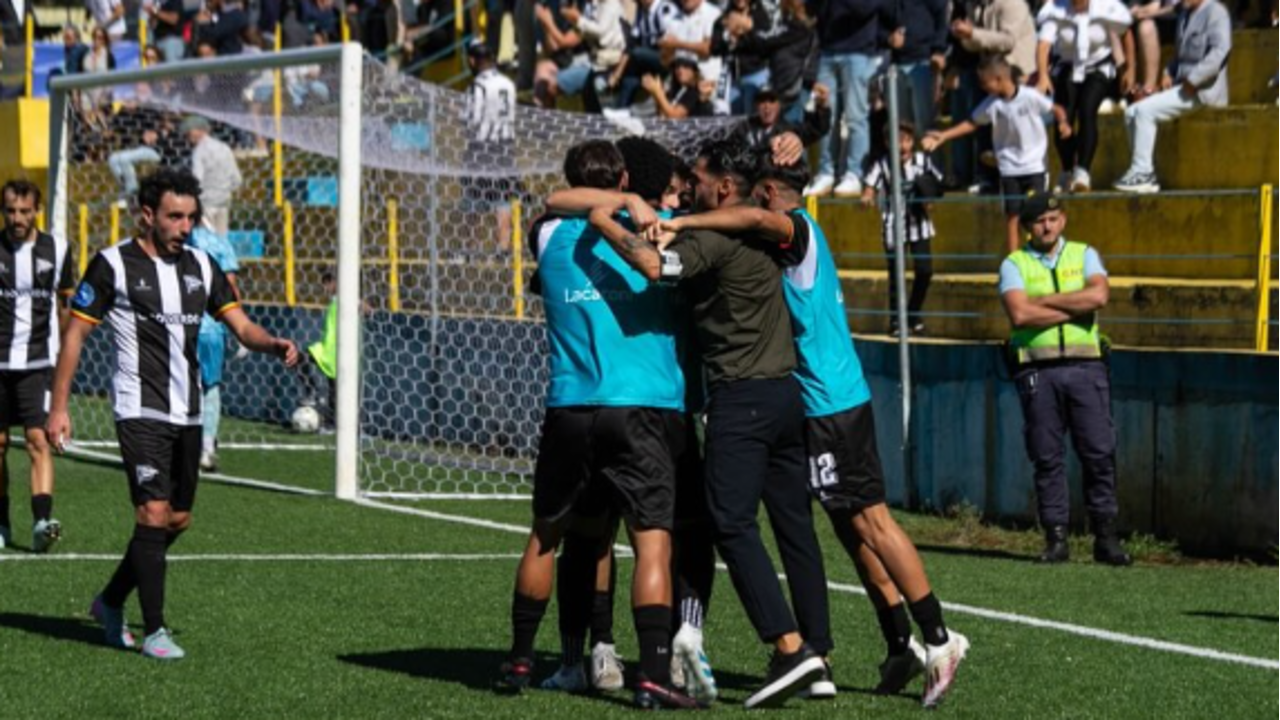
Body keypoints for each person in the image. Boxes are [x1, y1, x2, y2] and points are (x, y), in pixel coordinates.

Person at [652, 153, 971, 708]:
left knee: (872, 522)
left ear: (770, 194)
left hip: (833, 403)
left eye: (760, 197)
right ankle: (897, 643)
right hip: (815, 402)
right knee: (848, 530)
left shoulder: (796, 230)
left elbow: (749, 219)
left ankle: (940, 638)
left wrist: (683, 222)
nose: (755, 207)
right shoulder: (787, 239)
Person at [593, 139, 831, 709]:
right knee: (795, 526)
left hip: (741, 399)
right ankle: (819, 655)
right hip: (784, 397)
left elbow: (651, 265)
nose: (688, 187)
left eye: (697, 179)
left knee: (728, 520)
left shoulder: (711, 236)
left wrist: (605, 219)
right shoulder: (769, 229)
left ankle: (789, 647)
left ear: (723, 186)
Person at [49, 168, 298, 659]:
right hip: (138, 408)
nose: (185, 226)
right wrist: (58, 407)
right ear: (147, 215)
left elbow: (241, 326)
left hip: (188, 412)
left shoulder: (202, 267)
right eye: (175, 217)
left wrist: (273, 344)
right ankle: (156, 630)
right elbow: (74, 336)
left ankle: (111, 600)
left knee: (177, 520)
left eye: (190, 217)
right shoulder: (111, 266)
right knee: (152, 511)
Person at [493, 141, 700, 710]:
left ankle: (519, 659)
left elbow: (556, 201)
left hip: (571, 407)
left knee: (548, 536)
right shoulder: (663, 229)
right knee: (652, 542)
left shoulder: (546, 235)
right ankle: (653, 674)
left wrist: (617, 199)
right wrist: (637, 202)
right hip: (645, 406)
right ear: (627, 178)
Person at [997, 193, 1132, 566]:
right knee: (1046, 457)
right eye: (1040, 220)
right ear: (1028, 226)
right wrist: (1075, 306)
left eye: (1053, 218)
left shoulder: (1085, 253)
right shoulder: (1014, 263)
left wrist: (1043, 303)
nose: (1047, 226)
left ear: (1064, 220)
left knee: (1099, 452)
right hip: (1037, 370)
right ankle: (1056, 539)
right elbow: (1019, 315)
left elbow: (1100, 295)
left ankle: (1105, 538)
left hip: (1086, 367)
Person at [922, 55, 1070, 255]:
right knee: (1012, 215)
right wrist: (944, 136)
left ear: (999, 79)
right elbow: (972, 123)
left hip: (1035, 167)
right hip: (1009, 169)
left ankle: (1045, 254)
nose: (982, 87)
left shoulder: (1029, 96)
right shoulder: (991, 104)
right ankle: (1014, 260)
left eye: (985, 82)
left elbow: (1056, 109)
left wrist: (1063, 123)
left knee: (1040, 213)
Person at [0, 181, 76, 553]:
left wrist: (63, 355)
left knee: (37, 439)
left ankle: (42, 521)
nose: (17, 218)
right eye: (11, 211)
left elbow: (67, 307)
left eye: (25, 211)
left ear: (37, 210)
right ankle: (1, 523)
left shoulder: (58, 249)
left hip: (36, 362)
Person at [1113, 0, 1231, 193]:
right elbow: (1179, 55)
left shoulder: (1216, 12)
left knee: (1144, 111)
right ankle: (1143, 171)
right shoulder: (1185, 13)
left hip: (1203, 90)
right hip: (1183, 86)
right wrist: (1168, 72)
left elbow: (1220, 53)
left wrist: (1194, 80)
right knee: (1131, 112)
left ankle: (1143, 172)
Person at [1035, 0, 1133, 194]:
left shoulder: (1107, 7)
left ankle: (1083, 172)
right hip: (1067, 66)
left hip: (1098, 67)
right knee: (1064, 116)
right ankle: (1067, 170)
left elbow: (1126, 34)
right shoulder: (1055, 10)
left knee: (1087, 110)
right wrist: (1043, 76)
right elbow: (1044, 45)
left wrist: (1129, 70)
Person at [804, 0, 895, 198]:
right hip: (827, 52)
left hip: (859, 53)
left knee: (856, 117)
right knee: (825, 116)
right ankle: (826, 172)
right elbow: (812, 10)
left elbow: (865, 9)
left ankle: (855, 173)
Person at [948, 0, 1038, 192]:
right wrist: (964, 36)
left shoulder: (1012, 4)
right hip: (991, 75)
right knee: (984, 126)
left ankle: (1026, 180)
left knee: (1016, 129)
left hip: (1018, 75)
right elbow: (976, 45)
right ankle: (988, 179)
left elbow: (1008, 41)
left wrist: (973, 33)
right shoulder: (974, 5)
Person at [862, 121, 942, 335]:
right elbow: (869, 186)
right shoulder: (883, 164)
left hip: (920, 224)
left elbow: (938, 182)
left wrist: (930, 196)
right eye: (897, 142)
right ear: (888, 143)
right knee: (896, 275)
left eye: (907, 140)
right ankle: (896, 321)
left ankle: (913, 314)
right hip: (893, 226)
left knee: (925, 271)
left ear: (912, 141)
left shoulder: (922, 161)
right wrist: (867, 196)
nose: (903, 146)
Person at [187, 221, 241, 471]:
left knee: (180, 386)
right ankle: (206, 449)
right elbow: (231, 290)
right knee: (211, 386)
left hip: (182, 325)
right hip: (212, 327)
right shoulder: (220, 243)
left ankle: (181, 448)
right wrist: (239, 329)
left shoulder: (175, 242)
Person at [461, 39, 519, 253]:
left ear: (472, 60)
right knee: (502, 200)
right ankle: (503, 249)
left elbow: (471, 121)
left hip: (482, 149)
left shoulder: (476, 86)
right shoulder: (508, 83)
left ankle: (470, 250)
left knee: (472, 202)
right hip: (505, 149)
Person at [183, 116, 242, 238]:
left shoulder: (199, 152)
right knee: (221, 239)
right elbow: (237, 179)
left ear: (199, 130)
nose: (187, 136)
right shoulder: (224, 148)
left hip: (206, 203)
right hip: (224, 201)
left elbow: (196, 180)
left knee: (206, 241)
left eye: (188, 132)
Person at [641, 57, 713, 118]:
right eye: (677, 66)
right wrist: (656, 94)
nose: (680, 70)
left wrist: (658, 92)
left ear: (695, 71)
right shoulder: (676, 90)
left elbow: (675, 117)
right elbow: (662, 115)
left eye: (686, 66)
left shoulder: (696, 91)